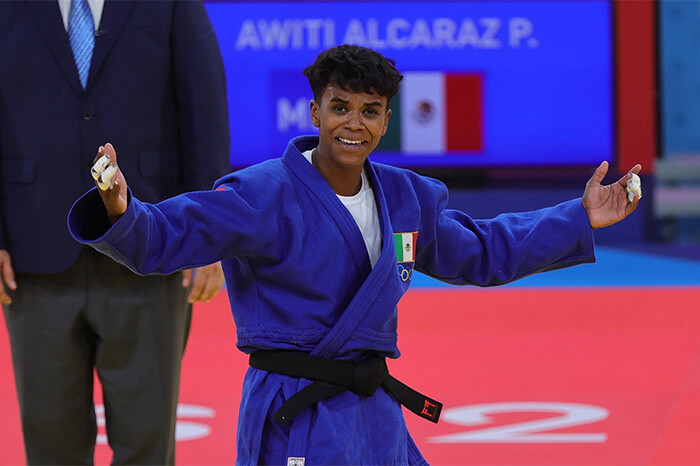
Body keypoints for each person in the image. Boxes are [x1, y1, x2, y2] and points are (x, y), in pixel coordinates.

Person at [68, 45, 641, 465]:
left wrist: (578, 218)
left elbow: (485, 250)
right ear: (314, 113)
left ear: (387, 121)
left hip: (372, 416)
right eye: (340, 107)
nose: (354, 124)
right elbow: (167, 236)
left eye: (370, 111)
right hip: (294, 411)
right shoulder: (262, 194)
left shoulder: (406, 197)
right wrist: (122, 208)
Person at [0, 1, 229, 464]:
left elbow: (204, 109)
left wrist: (209, 236)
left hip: (150, 249)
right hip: (31, 256)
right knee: (50, 447)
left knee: (147, 443)